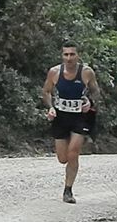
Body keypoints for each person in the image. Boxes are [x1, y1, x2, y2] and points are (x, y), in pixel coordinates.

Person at [42, 42, 100, 204]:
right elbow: (46, 92)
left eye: (72, 54)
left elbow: (96, 91)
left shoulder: (86, 72)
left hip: (80, 117)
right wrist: (51, 107)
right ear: (62, 56)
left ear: (77, 55)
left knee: (73, 152)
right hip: (61, 117)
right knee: (62, 158)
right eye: (66, 54)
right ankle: (68, 182)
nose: (69, 58)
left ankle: (68, 190)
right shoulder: (54, 72)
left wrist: (90, 102)